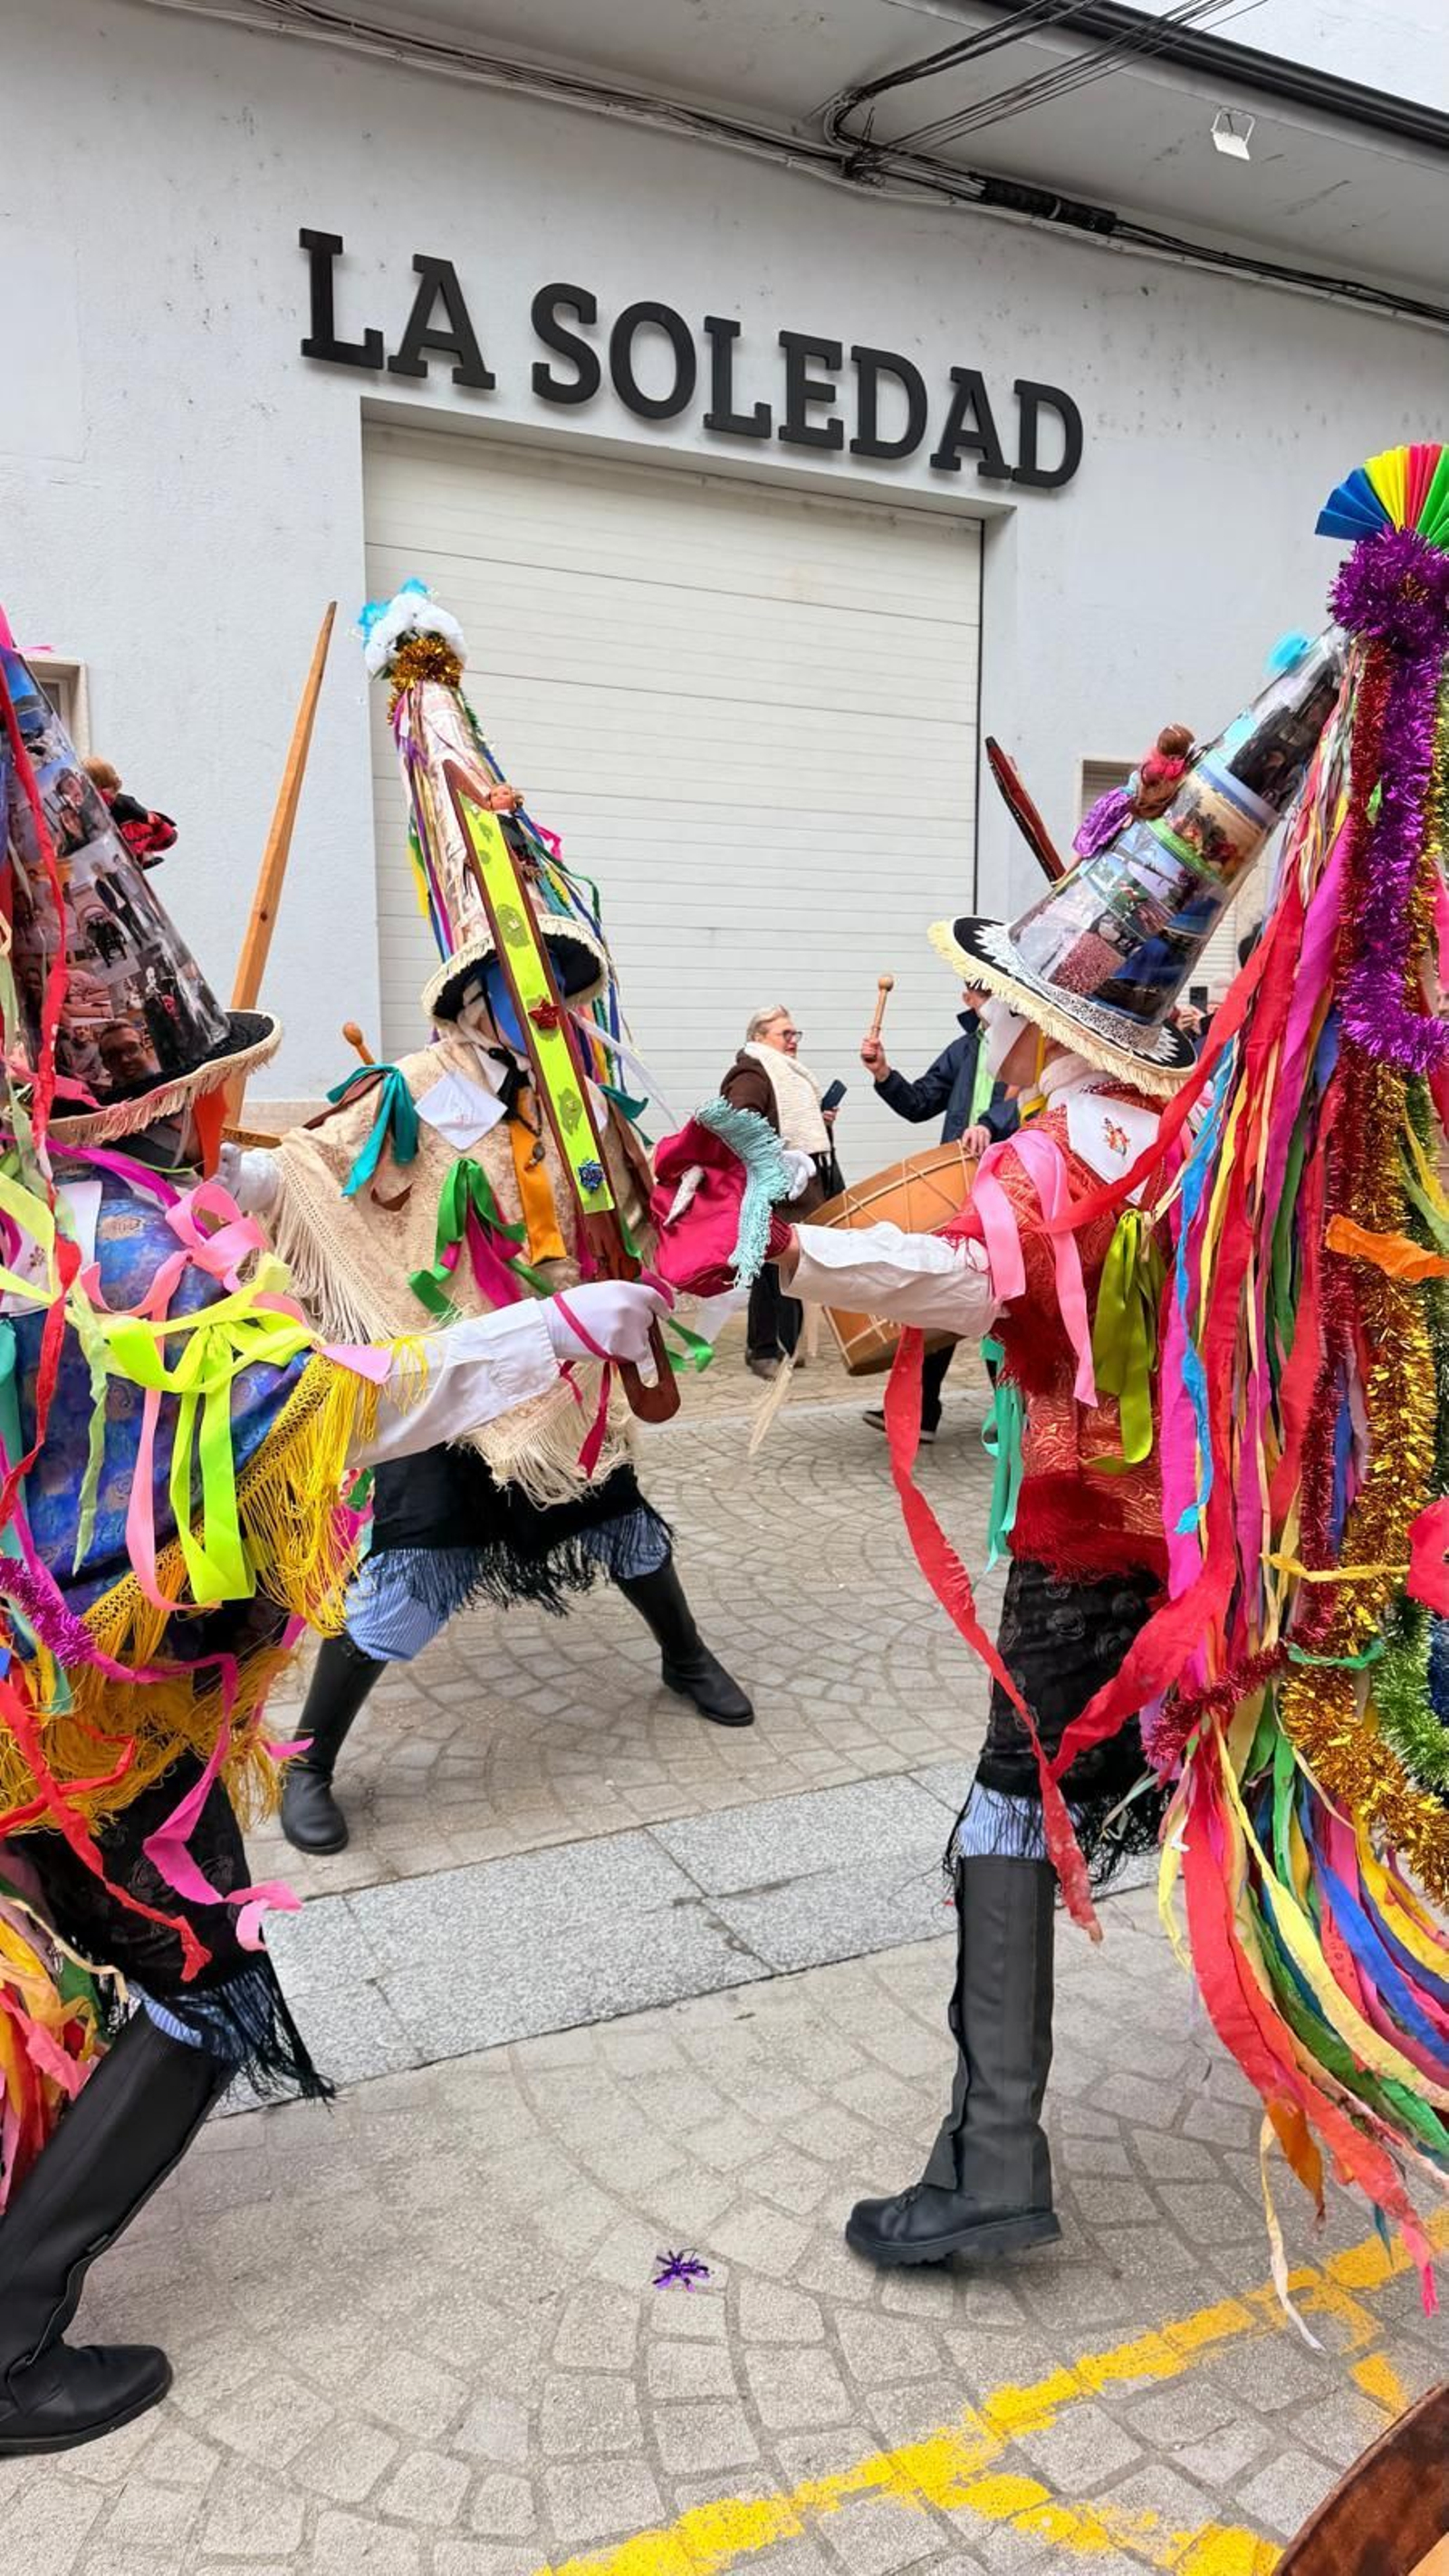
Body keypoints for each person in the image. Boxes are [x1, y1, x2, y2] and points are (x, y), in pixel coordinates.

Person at [0, 629, 669, 2456]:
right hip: (82, 1732)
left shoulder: (42, 1236)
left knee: (67, 1953)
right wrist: (564, 1326)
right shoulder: (138, 1261)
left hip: (34, 1704)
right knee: (212, 1992)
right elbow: (345, 1406)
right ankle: (8, 2341)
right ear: (146, 1090)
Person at [655, 621, 1354, 2273]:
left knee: (1003, 1819)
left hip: (1089, 1560)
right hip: (1230, 1539)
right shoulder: (1203, 1142)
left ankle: (991, 2164)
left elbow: (914, 1273)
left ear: (1045, 1022)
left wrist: (779, 1207)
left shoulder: (1042, 1165)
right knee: (1278, 1789)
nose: (989, 1021)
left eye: (999, 1001)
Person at [237, 583, 751, 1855]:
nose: (552, 1004)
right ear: (472, 997)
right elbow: (306, 1174)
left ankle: (685, 1655)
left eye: (566, 986)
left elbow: (634, 1205)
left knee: (623, 1521)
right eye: (531, 987)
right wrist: (210, 1173)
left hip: (562, 1364)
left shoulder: (584, 1096)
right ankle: (313, 1763)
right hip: (451, 1364)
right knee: (410, 1573)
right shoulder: (417, 1091)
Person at [858, 982, 1019, 1444]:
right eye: (976, 990)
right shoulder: (965, 1048)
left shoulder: (1032, 1041)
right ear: (967, 1000)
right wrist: (884, 1073)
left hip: (1011, 1182)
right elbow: (919, 1103)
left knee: (1002, 1298)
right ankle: (923, 1411)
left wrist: (992, 1124)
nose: (983, 996)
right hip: (959, 1184)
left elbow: (1032, 1101)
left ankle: (1012, 1416)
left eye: (989, 987)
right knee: (941, 1292)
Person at [722, 1006, 837, 1379]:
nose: (792, 1041)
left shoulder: (788, 1074)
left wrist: (821, 1122)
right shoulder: (752, 1072)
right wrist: (776, 1154)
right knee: (772, 1275)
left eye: (795, 1034)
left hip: (798, 1191)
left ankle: (787, 1345)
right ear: (758, 1037)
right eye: (784, 1034)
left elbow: (791, 1124)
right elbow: (737, 1123)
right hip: (772, 1190)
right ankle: (764, 1350)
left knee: (793, 1270)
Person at [83, 755, 177, 867]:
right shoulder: (121, 801)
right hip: (123, 844)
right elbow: (146, 817)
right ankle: (145, 857)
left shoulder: (95, 804)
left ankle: (145, 857)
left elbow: (144, 817)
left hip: (116, 842)